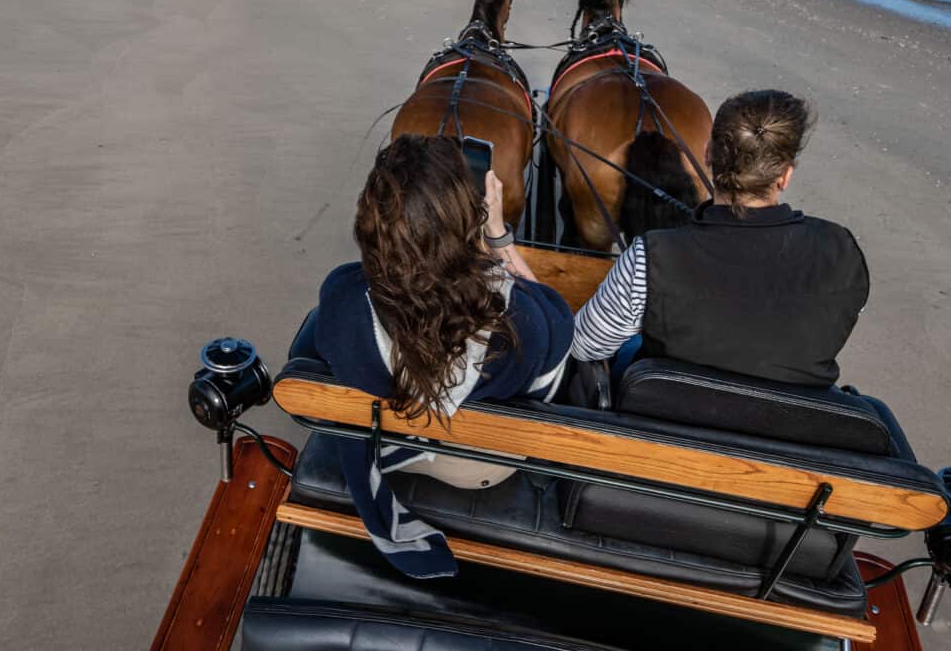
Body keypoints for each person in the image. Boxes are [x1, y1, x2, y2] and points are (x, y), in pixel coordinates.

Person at [312, 134, 573, 576]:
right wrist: (496, 235)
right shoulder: (522, 323)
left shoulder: (342, 302)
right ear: (466, 222)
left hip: (392, 445)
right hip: (479, 466)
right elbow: (551, 308)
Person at [571, 90, 868, 387]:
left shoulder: (649, 257)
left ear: (708, 154)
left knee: (630, 345)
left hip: (667, 415)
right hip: (798, 424)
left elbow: (585, 345)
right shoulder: (841, 250)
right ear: (785, 176)